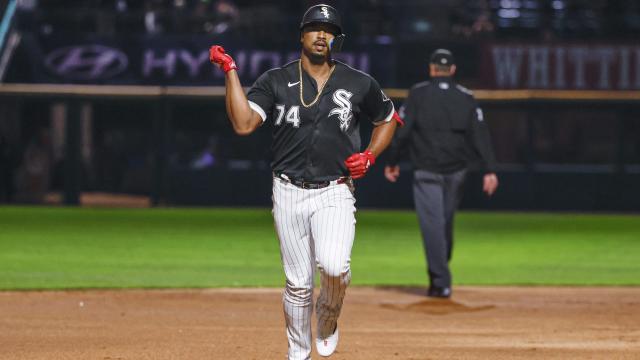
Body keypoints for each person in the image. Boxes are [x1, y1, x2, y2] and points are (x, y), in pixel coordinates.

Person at [209, 4, 398, 359]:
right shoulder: (276, 80)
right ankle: (298, 353)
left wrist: (370, 155)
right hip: (288, 190)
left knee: (335, 267)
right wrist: (231, 72)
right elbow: (244, 123)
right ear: (301, 35)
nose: (321, 34)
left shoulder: (358, 82)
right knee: (298, 284)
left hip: (336, 190)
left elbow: (388, 117)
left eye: (328, 30)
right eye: (314, 27)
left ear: (337, 39)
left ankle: (327, 316)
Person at [384, 49, 498, 298]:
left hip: (427, 170)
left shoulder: (418, 93)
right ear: (453, 70)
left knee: (435, 226)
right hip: (456, 172)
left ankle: (440, 278)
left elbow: (402, 131)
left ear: (432, 69)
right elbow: (480, 135)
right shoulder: (466, 97)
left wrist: (392, 160)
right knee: (442, 225)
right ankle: (440, 277)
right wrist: (489, 169)